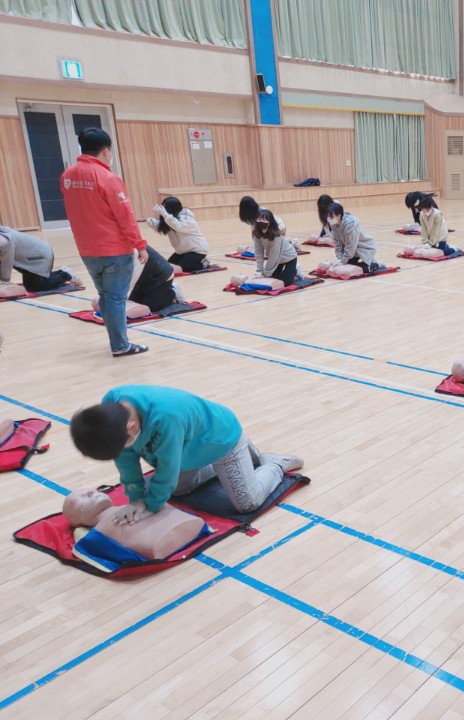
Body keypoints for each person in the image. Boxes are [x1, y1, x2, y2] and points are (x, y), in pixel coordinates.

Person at [69, 385, 305, 523]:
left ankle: (274, 463)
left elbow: (167, 470)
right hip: (189, 447)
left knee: (247, 503)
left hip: (222, 439)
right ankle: (236, 462)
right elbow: (126, 459)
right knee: (177, 491)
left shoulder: (166, 419)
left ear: (131, 429)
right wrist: (136, 499)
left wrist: (149, 507)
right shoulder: (111, 407)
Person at [61, 128, 148, 357]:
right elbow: (125, 216)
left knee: (105, 296)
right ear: (106, 151)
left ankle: (116, 341)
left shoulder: (68, 176)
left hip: (87, 250)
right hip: (114, 249)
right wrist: (139, 244)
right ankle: (120, 345)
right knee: (116, 299)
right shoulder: (108, 178)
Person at [63, 488, 206, 562]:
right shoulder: (98, 534)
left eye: (94, 491)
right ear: (74, 519)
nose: (91, 492)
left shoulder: (135, 504)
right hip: (164, 544)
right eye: (81, 497)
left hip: (188, 525)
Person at [0, 225, 77, 292]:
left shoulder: (3, 241)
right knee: (29, 286)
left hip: (40, 256)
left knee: (37, 287)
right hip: (27, 258)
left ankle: (65, 274)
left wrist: (4, 282)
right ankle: (58, 273)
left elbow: (7, 262)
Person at [147, 196, 209, 273]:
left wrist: (165, 214)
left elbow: (179, 226)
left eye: (165, 208)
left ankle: (203, 264)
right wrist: (151, 222)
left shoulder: (186, 214)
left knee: (177, 270)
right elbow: (163, 227)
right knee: (167, 267)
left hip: (197, 250)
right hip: (181, 252)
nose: (163, 210)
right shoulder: (169, 218)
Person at [327, 202, 382, 273]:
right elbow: (337, 243)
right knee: (347, 266)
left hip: (365, 248)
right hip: (353, 250)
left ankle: (373, 264)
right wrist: (339, 259)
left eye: (331, 217)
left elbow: (351, 246)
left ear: (339, 216)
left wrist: (343, 261)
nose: (329, 219)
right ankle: (366, 262)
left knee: (361, 269)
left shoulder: (350, 225)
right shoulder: (333, 224)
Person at [252, 209, 299, 286]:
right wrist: (259, 271)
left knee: (285, 283)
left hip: (289, 258)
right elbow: (259, 253)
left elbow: (274, 256)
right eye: (259, 219)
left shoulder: (276, 236)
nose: (261, 221)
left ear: (270, 222)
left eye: (264, 219)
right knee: (273, 279)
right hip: (277, 260)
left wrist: (265, 273)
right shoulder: (257, 234)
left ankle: (294, 270)